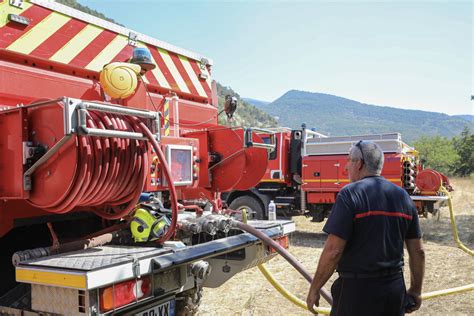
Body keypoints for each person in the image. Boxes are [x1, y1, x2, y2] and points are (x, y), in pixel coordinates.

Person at [306, 140, 425, 315]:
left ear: (359, 163)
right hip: (393, 290)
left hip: (356, 292)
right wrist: (415, 290)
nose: (346, 167)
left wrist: (315, 287)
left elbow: (333, 251)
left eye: (349, 161)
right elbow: (418, 251)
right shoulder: (403, 197)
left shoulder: (349, 194)